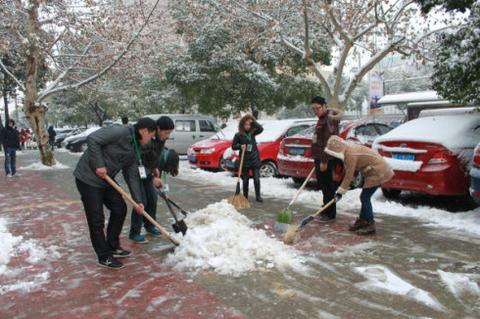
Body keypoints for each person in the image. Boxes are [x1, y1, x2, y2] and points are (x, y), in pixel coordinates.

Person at [73, 117, 156, 269]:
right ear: (144, 131)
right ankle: (104, 256)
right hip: (88, 178)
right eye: (151, 136)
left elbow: (132, 176)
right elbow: (93, 139)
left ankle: (113, 245)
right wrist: (99, 164)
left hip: (106, 179)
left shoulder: (135, 148)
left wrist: (138, 201)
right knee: (96, 219)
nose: (151, 139)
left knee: (120, 209)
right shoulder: (120, 131)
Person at [325, 136, 394, 235]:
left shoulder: (350, 155)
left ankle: (370, 225)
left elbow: (348, 175)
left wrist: (340, 192)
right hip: (373, 170)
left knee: (365, 197)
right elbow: (353, 172)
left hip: (378, 171)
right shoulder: (348, 150)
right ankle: (363, 221)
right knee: (364, 197)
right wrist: (348, 186)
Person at [129, 116, 175, 243]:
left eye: (169, 133)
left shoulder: (160, 139)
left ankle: (149, 225)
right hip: (136, 171)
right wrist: (151, 177)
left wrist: (155, 167)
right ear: (158, 129)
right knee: (141, 201)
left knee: (152, 198)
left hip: (148, 170)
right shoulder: (147, 138)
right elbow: (138, 162)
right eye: (166, 133)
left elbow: (156, 154)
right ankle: (135, 232)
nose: (167, 136)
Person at [311, 96, 342, 222]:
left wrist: (324, 160)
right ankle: (325, 208)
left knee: (327, 185)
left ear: (324, 106)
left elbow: (329, 142)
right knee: (324, 185)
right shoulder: (322, 119)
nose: (315, 111)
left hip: (326, 158)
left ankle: (330, 213)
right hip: (320, 156)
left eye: (317, 108)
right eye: (313, 109)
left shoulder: (328, 120)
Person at [232, 114, 264, 202]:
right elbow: (233, 146)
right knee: (245, 180)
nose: (247, 126)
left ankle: (258, 196)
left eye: (249, 124)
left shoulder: (253, 133)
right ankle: (245, 197)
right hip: (244, 160)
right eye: (246, 124)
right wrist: (240, 146)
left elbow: (261, 129)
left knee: (256, 179)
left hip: (254, 158)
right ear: (242, 125)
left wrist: (253, 121)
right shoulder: (238, 135)